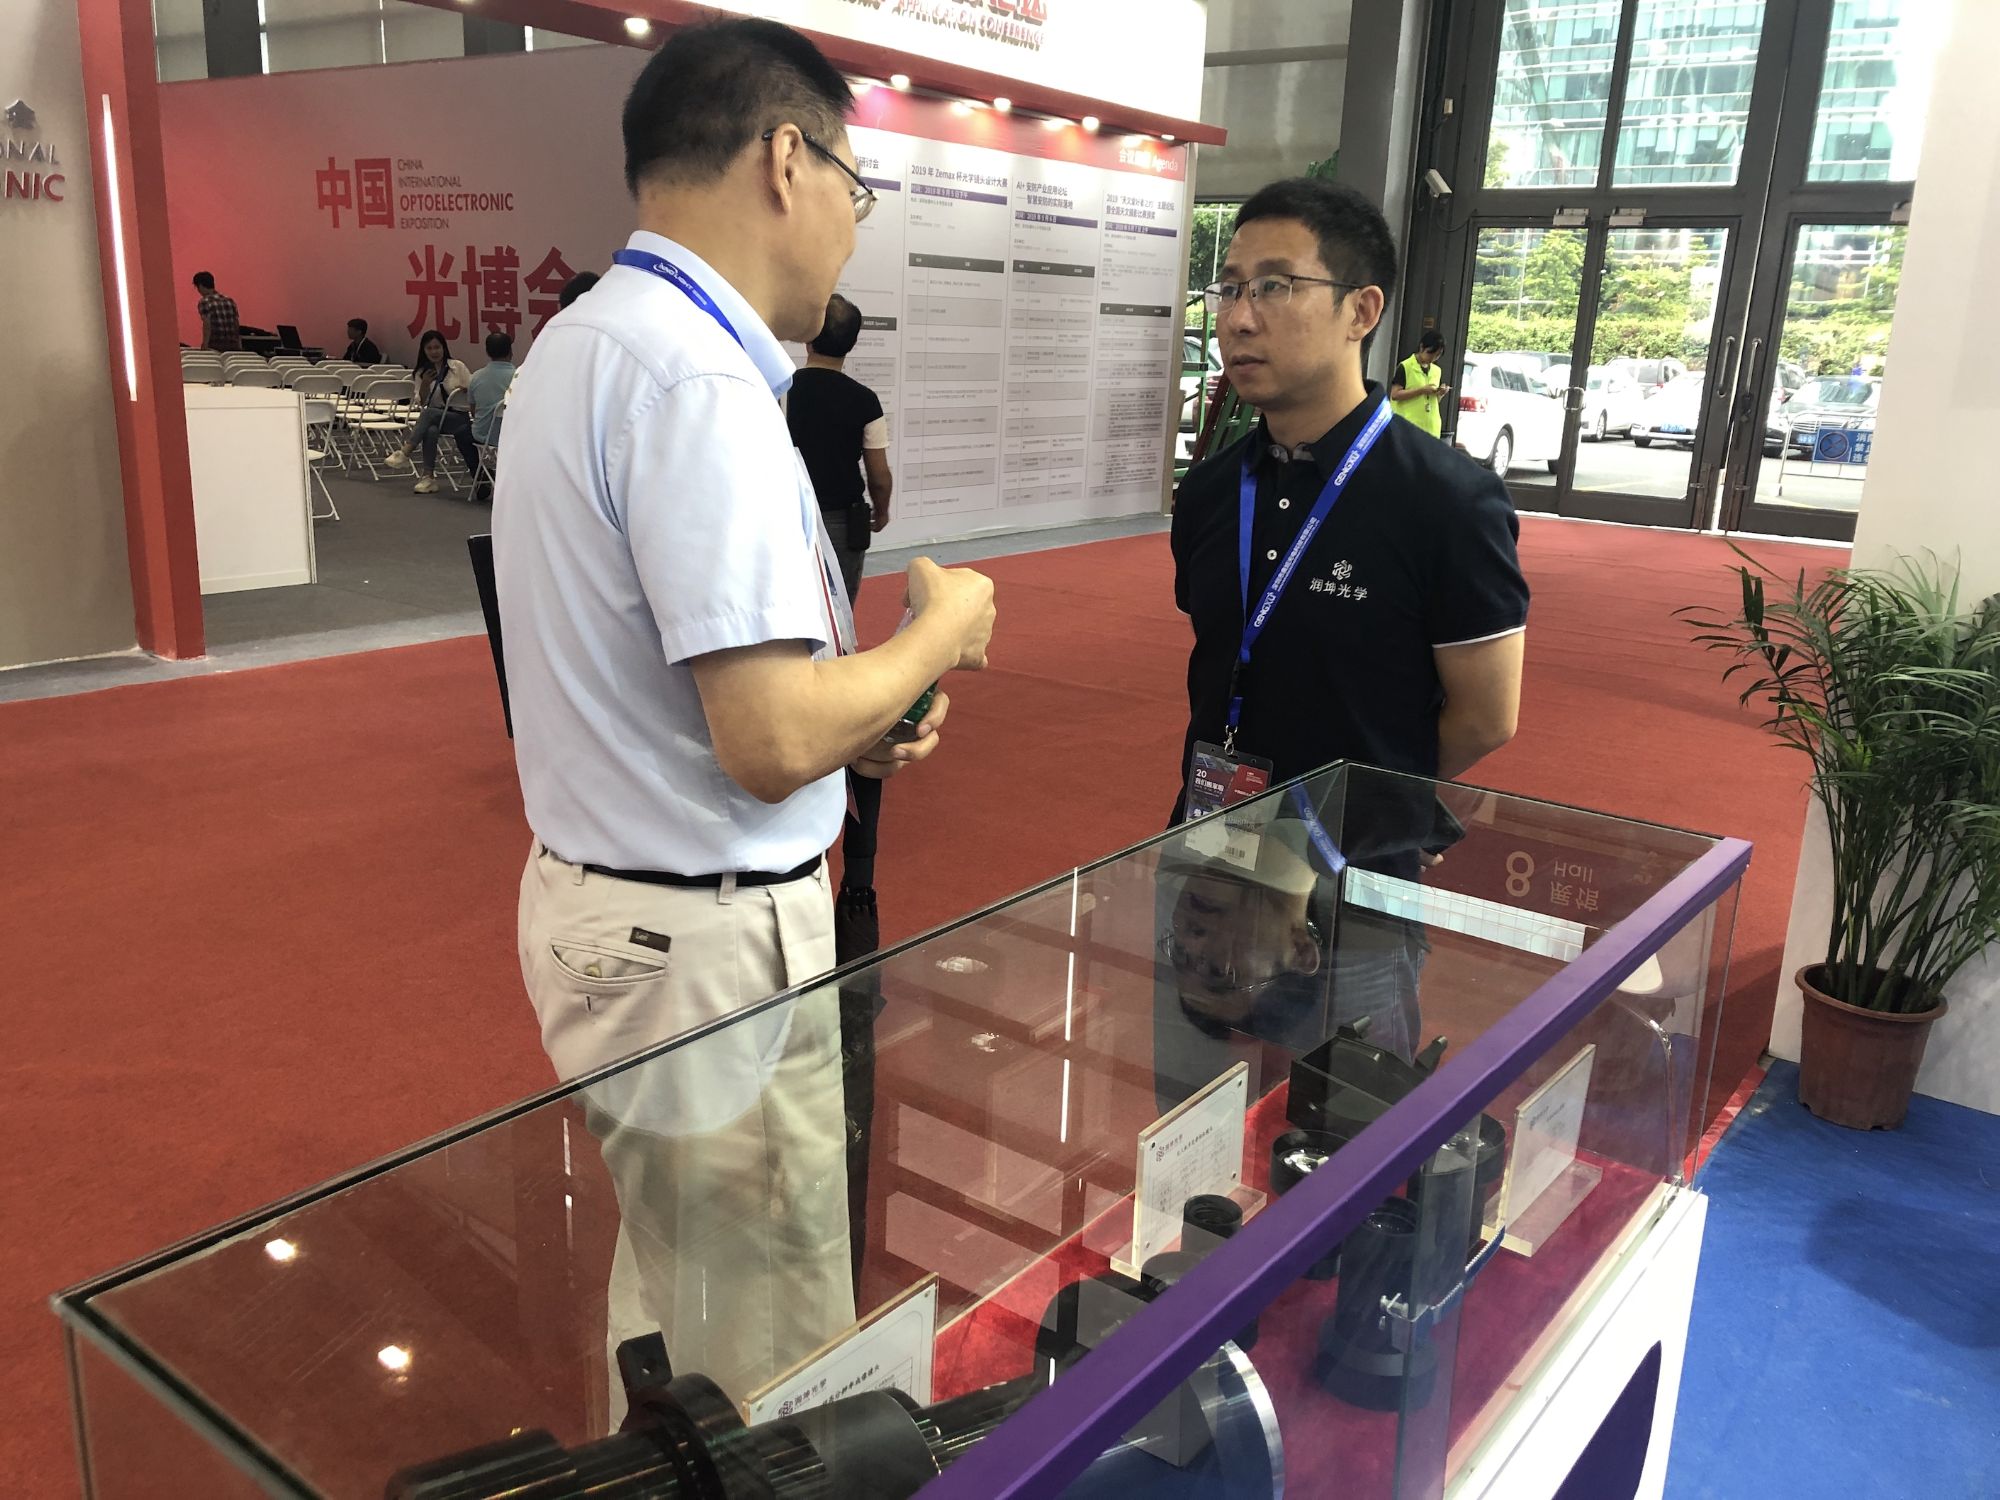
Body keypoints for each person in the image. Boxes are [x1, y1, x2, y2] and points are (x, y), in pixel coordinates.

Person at [492, 17, 995, 1402]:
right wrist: (939, 635)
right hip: (703, 940)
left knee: (676, 1304)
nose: (851, 225)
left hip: (621, 908)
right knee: (766, 1354)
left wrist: (862, 714)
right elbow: (769, 741)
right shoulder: (698, 379)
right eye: (854, 185)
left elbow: (678, 684)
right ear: (786, 159)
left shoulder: (587, 343)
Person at [1169, 177, 1529, 1058]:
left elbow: (1485, 716)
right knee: (1189, 1111)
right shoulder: (1212, 493)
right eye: (1229, 288)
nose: (1239, 318)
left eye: (1274, 286)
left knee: (1350, 1119)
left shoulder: (1446, 502)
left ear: (1361, 311)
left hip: (1353, 884)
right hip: (1204, 862)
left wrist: (1328, 823)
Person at [786, 292, 893, 600]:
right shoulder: (865, 400)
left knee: (790, 601)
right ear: (853, 342)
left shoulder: (781, 391)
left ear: (809, 339)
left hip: (789, 513)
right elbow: (879, 475)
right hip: (843, 521)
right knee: (839, 606)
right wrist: (881, 511)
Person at [386, 330, 475, 493]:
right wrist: (425, 384)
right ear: (424, 350)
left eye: (437, 347)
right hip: (436, 417)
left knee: (428, 414)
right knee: (430, 429)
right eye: (429, 348)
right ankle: (428, 477)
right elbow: (422, 402)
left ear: (444, 347)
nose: (434, 352)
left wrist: (465, 389)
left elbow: (473, 392)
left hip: (458, 418)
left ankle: (406, 451)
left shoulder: (457, 367)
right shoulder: (421, 373)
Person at [1389, 328, 1449, 438]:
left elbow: (1432, 401)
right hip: (1409, 427)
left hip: (1431, 428)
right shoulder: (1405, 366)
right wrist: (1421, 390)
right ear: (1422, 347)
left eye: (1437, 355)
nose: (1433, 358)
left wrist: (1440, 393)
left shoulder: (1437, 371)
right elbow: (1395, 395)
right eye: (1430, 353)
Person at [191, 272, 241, 352]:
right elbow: (236, 324)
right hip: (233, 344)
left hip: (216, 345)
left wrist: (205, 344)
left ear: (200, 286)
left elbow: (207, 324)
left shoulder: (205, 302)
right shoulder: (229, 300)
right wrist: (239, 344)